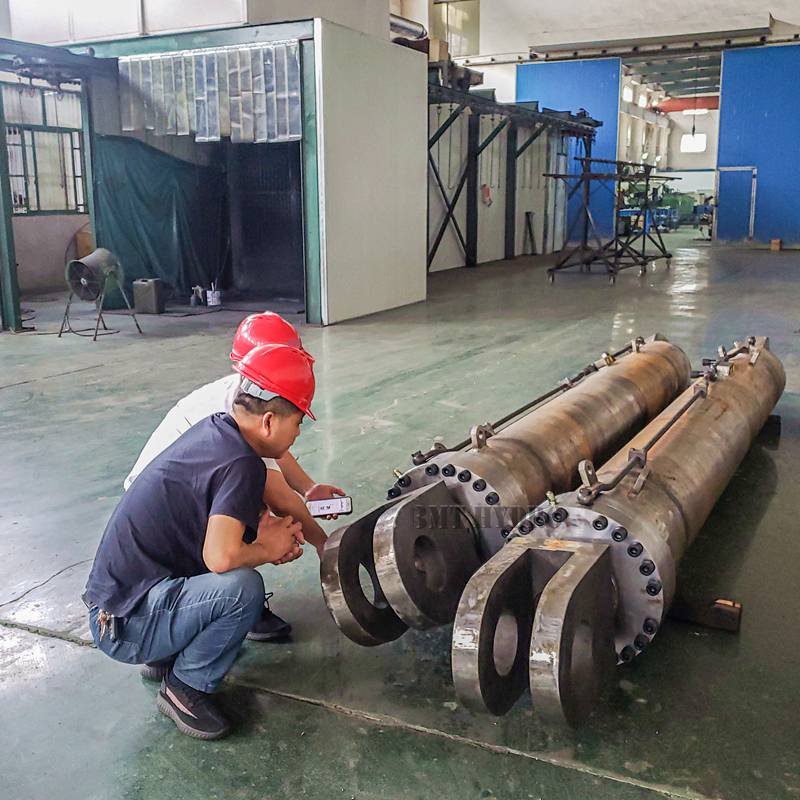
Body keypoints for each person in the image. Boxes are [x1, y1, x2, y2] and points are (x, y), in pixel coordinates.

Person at [83, 344, 315, 740]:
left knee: (233, 572)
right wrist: (267, 550)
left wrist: (262, 536)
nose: (297, 434)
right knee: (242, 589)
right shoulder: (242, 463)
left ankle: (165, 653)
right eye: (298, 423)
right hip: (124, 623)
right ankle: (186, 687)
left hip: (118, 605)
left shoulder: (217, 432)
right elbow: (221, 558)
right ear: (269, 421)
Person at [124, 311, 345, 643]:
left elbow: (274, 452)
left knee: (254, 511)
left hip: (158, 507)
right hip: (160, 528)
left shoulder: (246, 406)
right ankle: (221, 608)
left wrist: (309, 488)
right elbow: (279, 497)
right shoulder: (234, 437)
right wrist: (322, 544)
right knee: (250, 518)